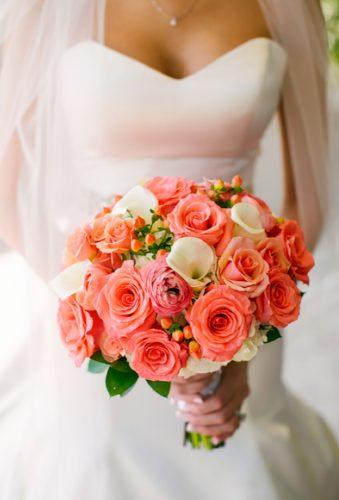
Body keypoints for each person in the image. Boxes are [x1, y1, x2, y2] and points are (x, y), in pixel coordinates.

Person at [0, 1, 338, 499]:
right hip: (101, 320)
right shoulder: (51, 9)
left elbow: (304, 200)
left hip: (242, 307)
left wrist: (244, 334)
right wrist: (97, 304)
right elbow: (8, 194)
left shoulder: (288, 6)